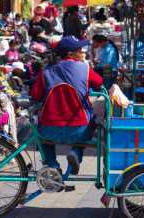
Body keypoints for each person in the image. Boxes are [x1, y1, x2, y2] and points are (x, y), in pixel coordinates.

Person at [30, 36, 103, 175]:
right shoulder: (85, 68)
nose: (82, 51)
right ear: (70, 53)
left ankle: (53, 165)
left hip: (49, 129)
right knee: (89, 130)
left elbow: (35, 95)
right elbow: (99, 82)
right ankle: (76, 153)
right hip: (79, 129)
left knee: (43, 140)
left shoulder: (46, 71)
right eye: (79, 49)